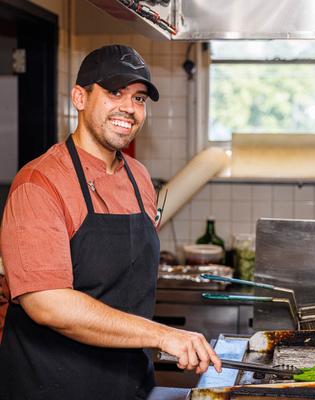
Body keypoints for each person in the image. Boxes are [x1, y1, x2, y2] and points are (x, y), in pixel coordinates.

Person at [0, 44, 221, 400]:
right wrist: (162, 335)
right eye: (114, 92)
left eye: (139, 99)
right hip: (53, 386)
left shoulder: (139, 176)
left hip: (130, 383)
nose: (129, 109)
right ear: (79, 97)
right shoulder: (39, 183)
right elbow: (48, 305)